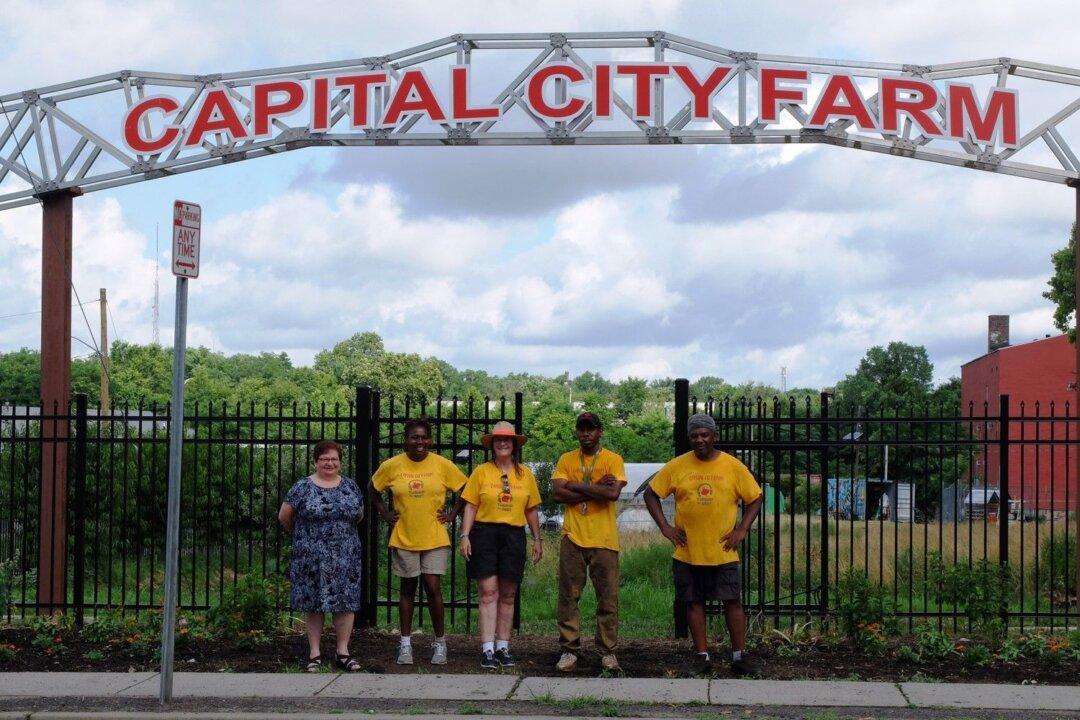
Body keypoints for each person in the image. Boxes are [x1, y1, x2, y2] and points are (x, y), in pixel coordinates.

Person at [644, 414, 763, 675]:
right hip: (688, 551)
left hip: (723, 550)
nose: (700, 440)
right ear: (690, 439)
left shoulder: (732, 466)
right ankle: (702, 657)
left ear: (714, 436)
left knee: (732, 601)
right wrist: (665, 527)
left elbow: (755, 497)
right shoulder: (677, 466)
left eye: (704, 435)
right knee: (693, 602)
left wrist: (742, 528)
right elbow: (650, 494)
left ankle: (739, 656)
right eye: (694, 436)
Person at [370, 418, 469, 666]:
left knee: (433, 588)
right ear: (406, 439)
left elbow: (467, 489)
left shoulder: (442, 464)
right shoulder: (392, 465)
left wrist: (452, 514)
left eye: (424, 437)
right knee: (407, 590)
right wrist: (385, 513)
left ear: (430, 440)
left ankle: (440, 643)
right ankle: (405, 644)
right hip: (404, 536)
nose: (420, 442)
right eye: (414, 437)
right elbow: (372, 489)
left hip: (434, 536)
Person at [459, 420, 543, 669]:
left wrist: (538, 539)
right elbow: (471, 505)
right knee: (488, 592)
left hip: (513, 535)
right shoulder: (482, 472)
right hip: (485, 534)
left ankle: (503, 646)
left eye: (508, 440)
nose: (503, 443)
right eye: (498, 440)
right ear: (492, 444)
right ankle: (487, 649)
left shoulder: (525, 474)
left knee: (508, 594)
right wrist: (464, 535)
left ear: (515, 445)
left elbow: (531, 509)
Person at [278, 439, 364, 672]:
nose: (329, 463)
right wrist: (304, 539)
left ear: (340, 462)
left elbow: (358, 515)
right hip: (310, 558)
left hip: (346, 556)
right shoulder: (302, 487)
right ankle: (314, 653)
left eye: (334, 459)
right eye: (324, 458)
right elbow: (285, 517)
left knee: (345, 603)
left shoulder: (350, 486)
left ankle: (343, 652)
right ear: (315, 461)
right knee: (313, 603)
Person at [550, 411, 626, 673]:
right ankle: (569, 650)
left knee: (608, 598)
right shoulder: (566, 458)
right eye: (581, 428)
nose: (586, 433)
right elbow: (557, 494)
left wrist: (576, 485)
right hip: (573, 536)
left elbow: (613, 493)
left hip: (604, 540)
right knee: (568, 597)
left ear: (600, 431)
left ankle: (607, 652)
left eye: (590, 429)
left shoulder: (613, 460)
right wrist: (596, 488)